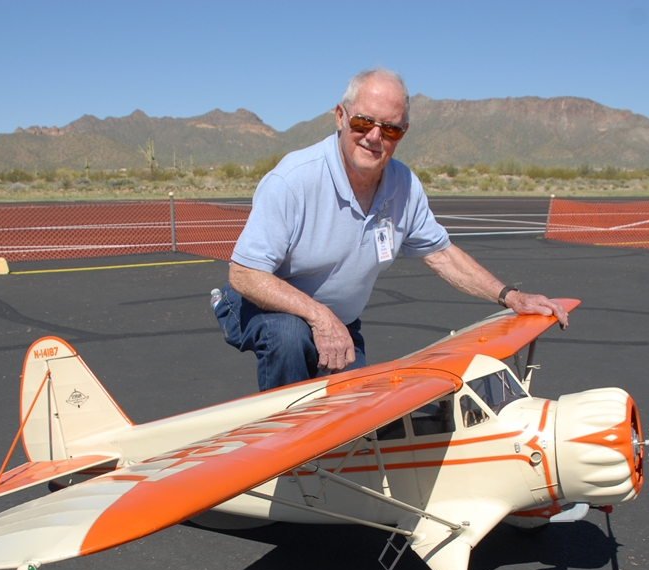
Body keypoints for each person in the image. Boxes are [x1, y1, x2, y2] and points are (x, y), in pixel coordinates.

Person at [213, 68, 569, 391]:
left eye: (391, 128)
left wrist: (511, 296)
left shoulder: (404, 185)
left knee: (357, 415)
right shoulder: (293, 180)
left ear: (403, 133)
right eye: (363, 122)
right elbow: (244, 274)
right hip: (260, 308)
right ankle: (282, 445)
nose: (374, 137)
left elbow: (442, 254)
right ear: (340, 117)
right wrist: (319, 315)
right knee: (288, 336)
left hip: (340, 322)